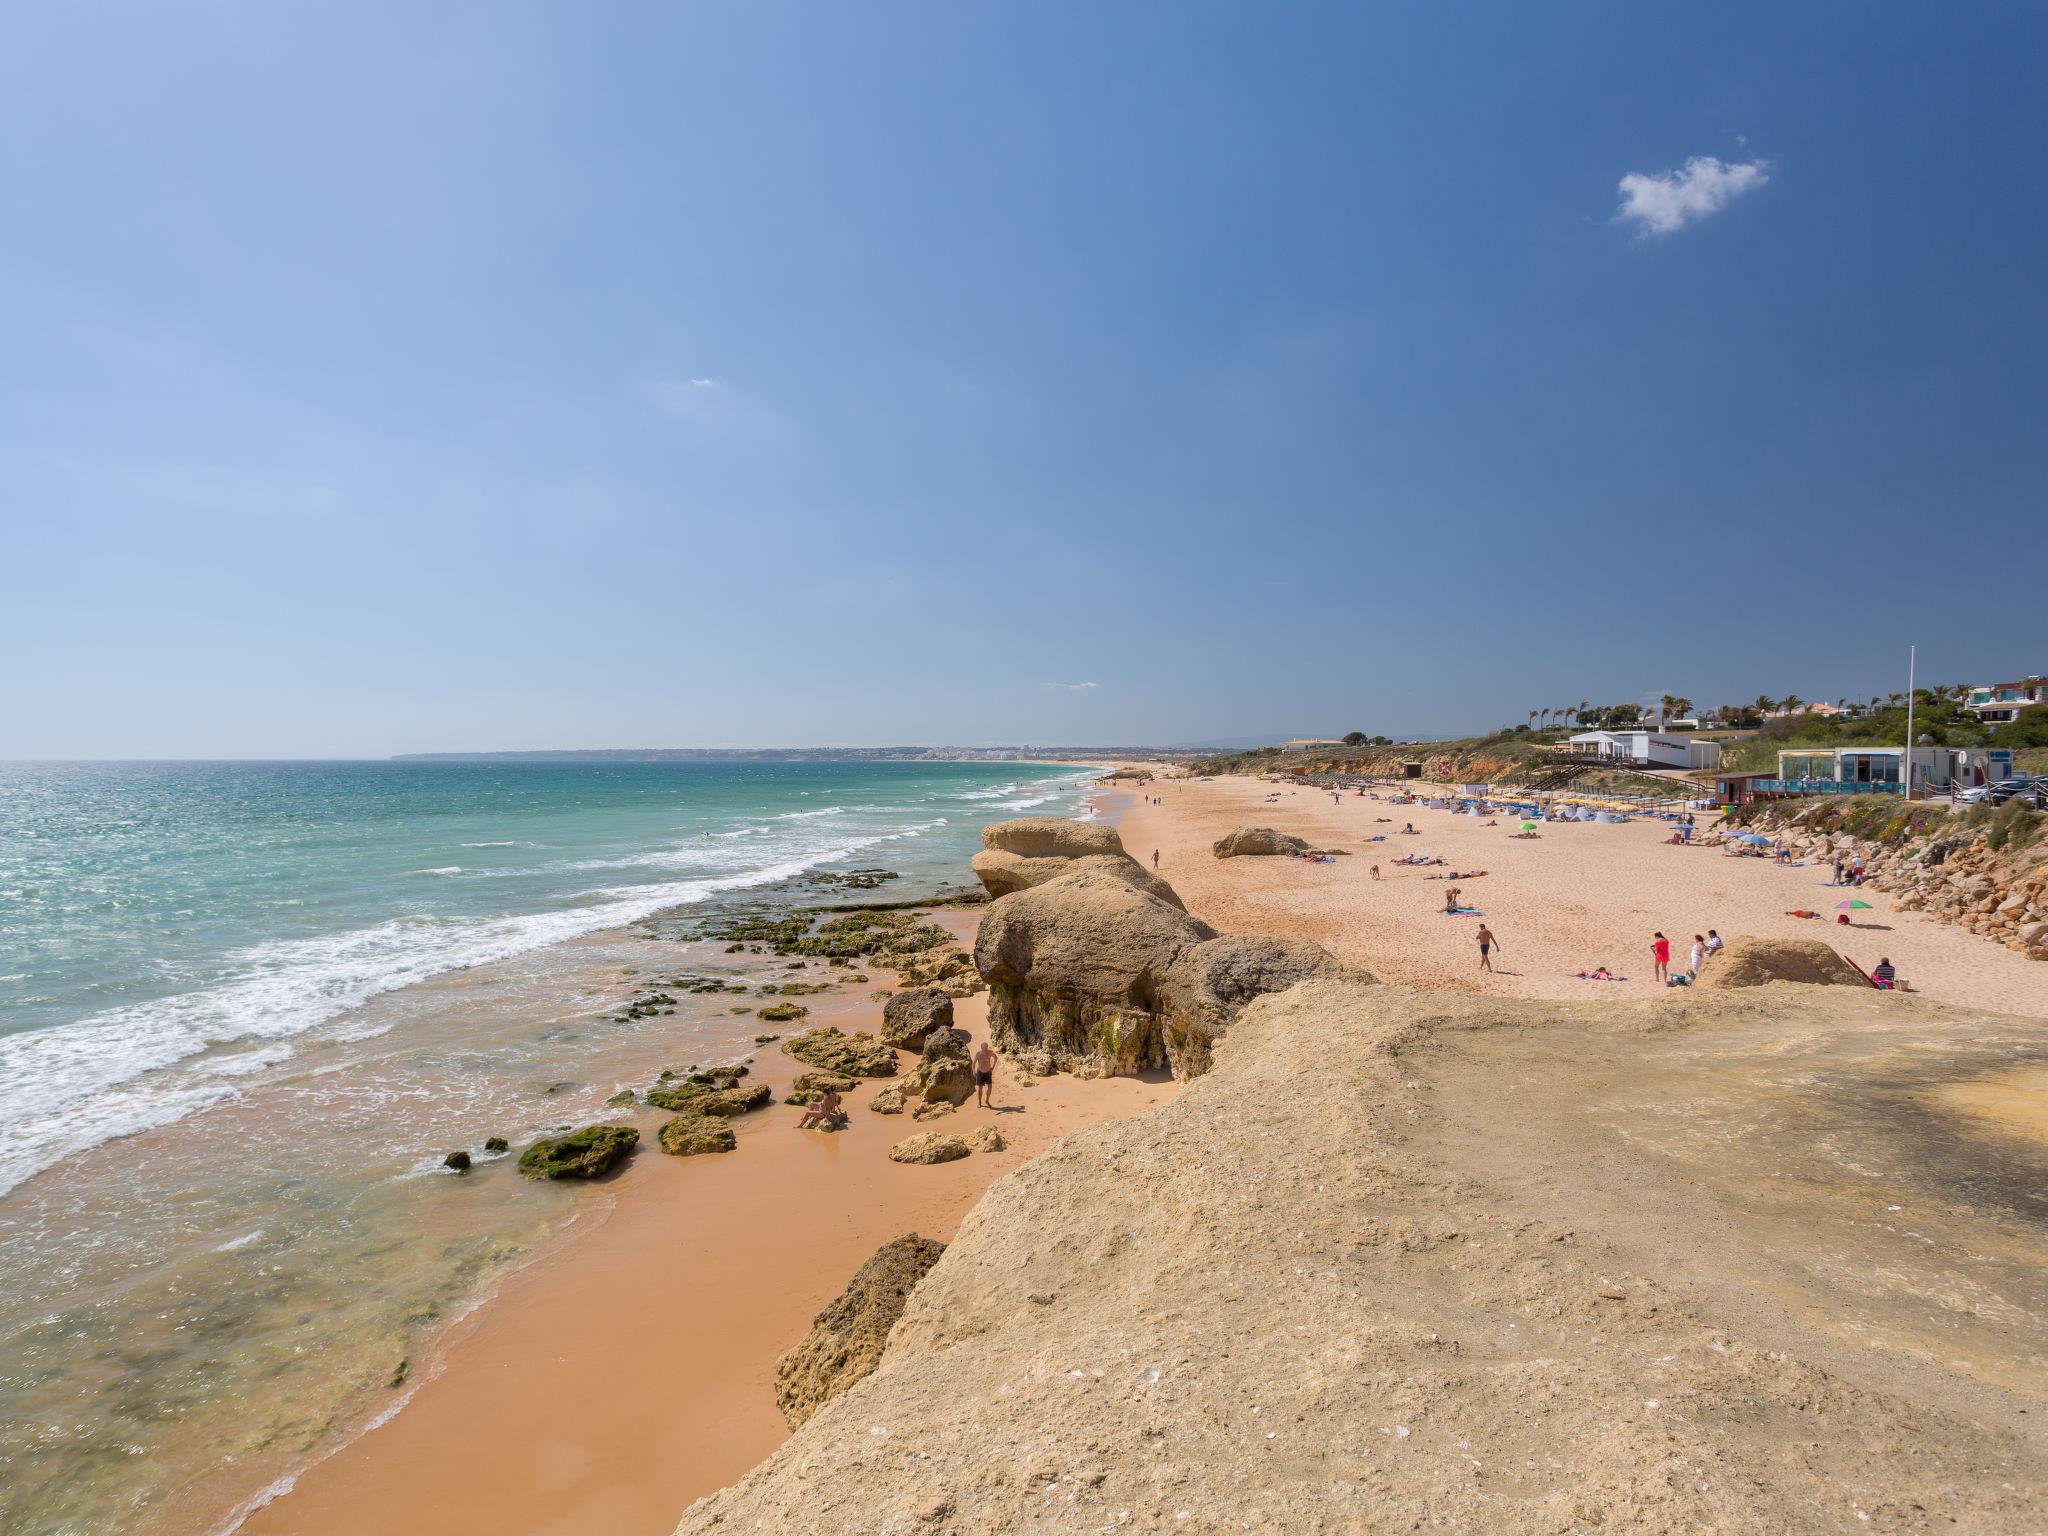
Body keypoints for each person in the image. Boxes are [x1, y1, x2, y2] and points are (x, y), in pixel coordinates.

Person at [972, 1040, 997, 1107]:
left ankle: (987, 1100)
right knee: (980, 1088)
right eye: (984, 1048)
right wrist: (974, 1071)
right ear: (981, 1048)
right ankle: (979, 1102)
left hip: (988, 1072)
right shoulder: (978, 1054)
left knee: (990, 1087)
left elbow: (995, 1058)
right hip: (980, 1072)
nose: (985, 1049)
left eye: (986, 1047)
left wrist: (993, 1067)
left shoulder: (990, 1052)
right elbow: (974, 1063)